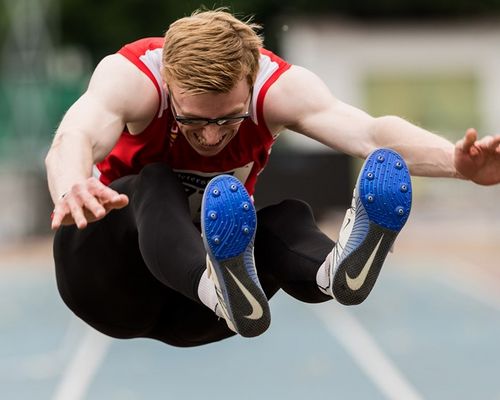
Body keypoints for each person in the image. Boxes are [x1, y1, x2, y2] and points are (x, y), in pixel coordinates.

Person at [46, 8, 500, 344]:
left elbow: (368, 132)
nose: (209, 137)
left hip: (198, 312)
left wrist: (456, 163)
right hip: (105, 279)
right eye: (192, 121)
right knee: (154, 181)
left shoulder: (277, 88)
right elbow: (76, 133)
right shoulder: (134, 76)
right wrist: (72, 185)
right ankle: (217, 287)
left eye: (228, 119)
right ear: (168, 82)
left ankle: (332, 271)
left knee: (286, 216)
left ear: (249, 80)